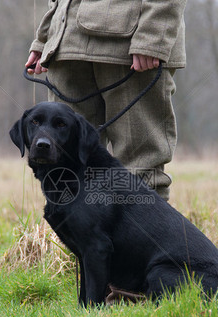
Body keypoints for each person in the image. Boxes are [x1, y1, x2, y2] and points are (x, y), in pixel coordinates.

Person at [25, 0, 187, 200]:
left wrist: (152, 36)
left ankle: (143, 232)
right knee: (66, 169)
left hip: (130, 45)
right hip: (65, 43)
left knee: (140, 172)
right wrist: (46, 37)